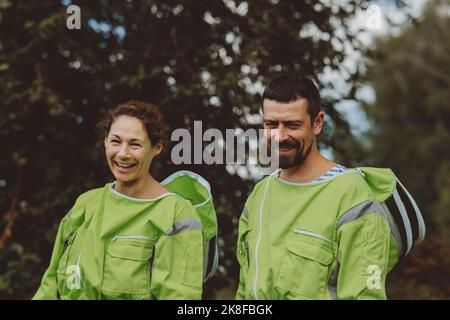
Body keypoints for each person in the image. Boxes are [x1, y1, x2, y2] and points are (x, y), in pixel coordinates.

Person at [235, 74, 400, 300]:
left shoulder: (351, 195)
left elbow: (365, 295)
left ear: (317, 123)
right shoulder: (259, 195)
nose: (280, 136)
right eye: (271, 124)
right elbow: (244, 292)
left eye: (292, 125)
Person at [33, 100, 204, 300]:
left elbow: (179, 297)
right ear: (105, 141)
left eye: (135, 144)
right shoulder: (86, 204)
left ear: (156, 148)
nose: (123, 154)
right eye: (115, 141)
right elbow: (51, 282)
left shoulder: (176, 213)